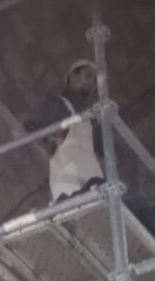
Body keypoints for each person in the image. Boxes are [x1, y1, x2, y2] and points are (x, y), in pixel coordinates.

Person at [23, 59, 104, 204]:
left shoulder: (91, 119)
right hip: (68, 180)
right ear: (72, 76)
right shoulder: (53, 102)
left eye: (94, 80)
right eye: (88, 75)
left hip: (93, 179)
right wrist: (51, 139)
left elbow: (104, 150)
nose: (91, 83)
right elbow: (30, 126)